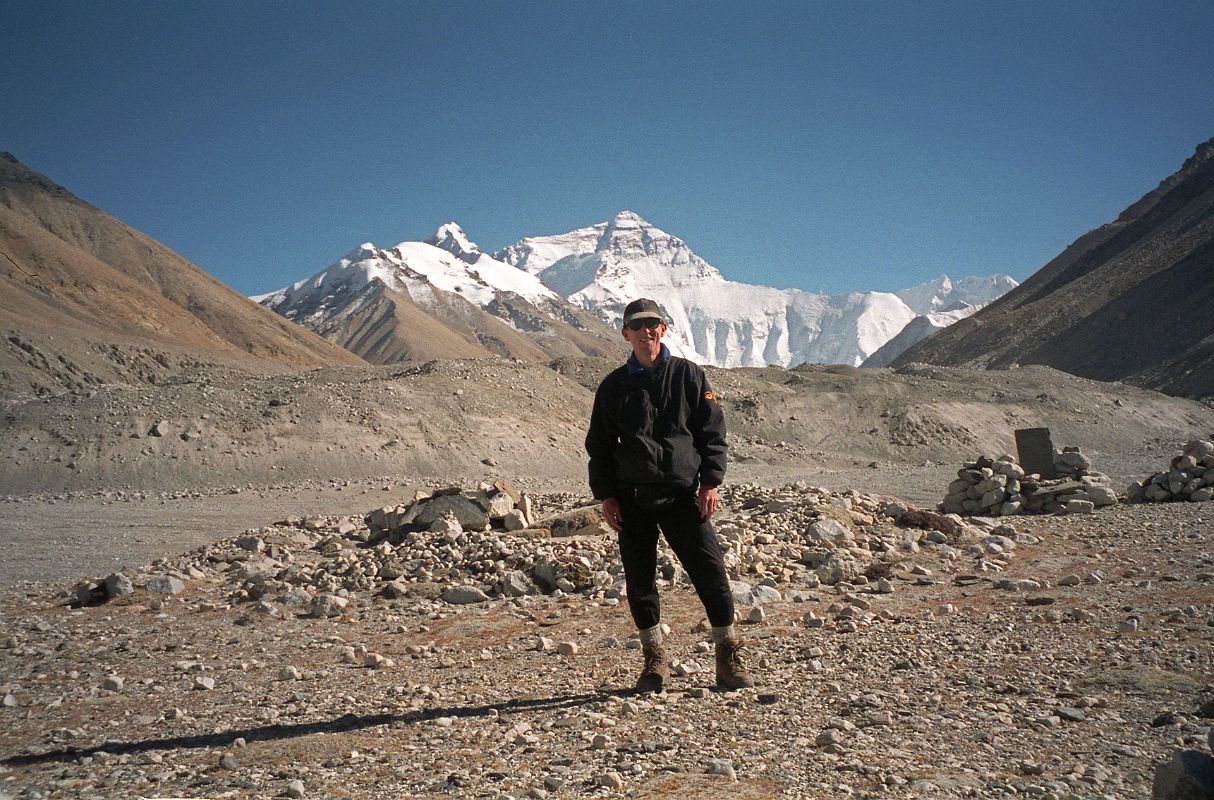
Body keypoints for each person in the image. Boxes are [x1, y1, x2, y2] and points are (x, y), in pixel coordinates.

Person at [585, 297, 754, 692]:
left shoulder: (688, 375)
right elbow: (600, 445)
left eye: (653, 324)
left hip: (683, 496)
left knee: (711, 573)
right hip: (632, 499)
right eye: (637, 325)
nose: (646, 330)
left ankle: (728, 655)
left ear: (663, 329)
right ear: (625, 333)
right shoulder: (612, 387)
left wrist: (710, 482)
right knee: (640, 583)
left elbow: (712, 433)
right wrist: (606, 496)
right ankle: (653, 662)